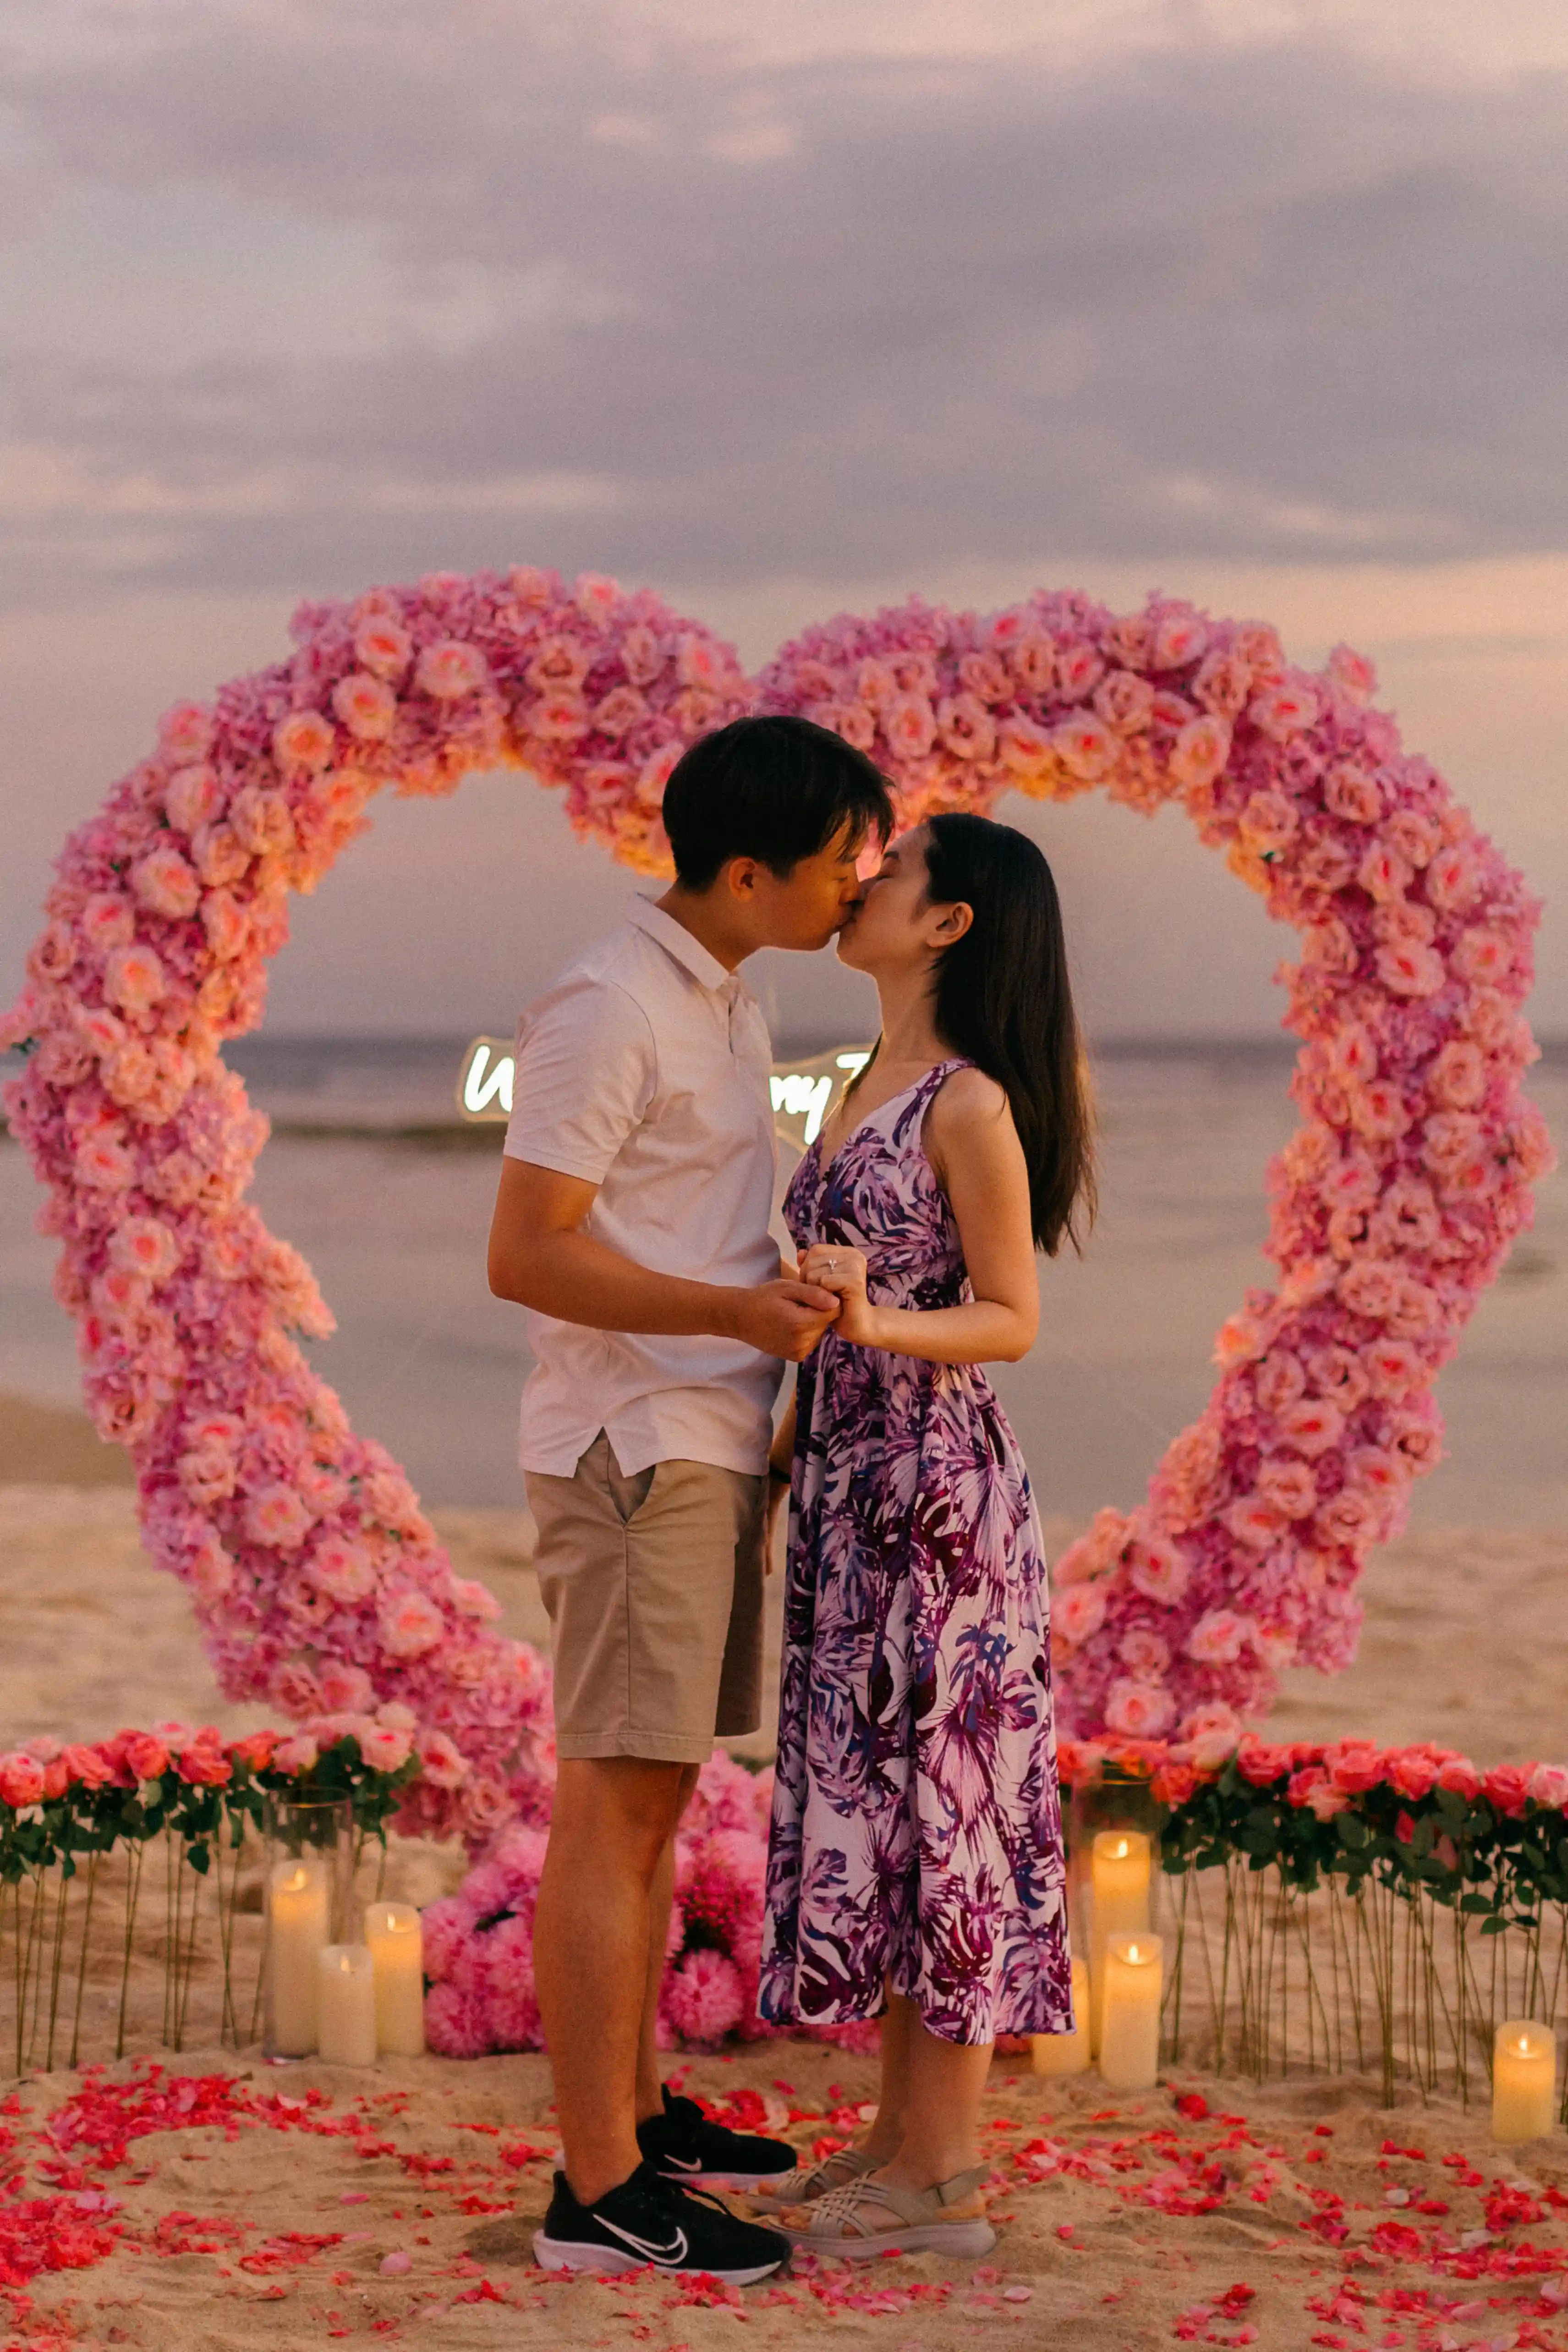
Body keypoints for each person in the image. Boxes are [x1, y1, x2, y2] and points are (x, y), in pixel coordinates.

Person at [487, 714, 893, 2282]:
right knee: (617, 1799)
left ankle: (641, 2122)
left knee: (657, 1800)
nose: (858, 877)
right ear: (747, 870)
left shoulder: (726, 991)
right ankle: (597, 2193)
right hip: (633, 1444)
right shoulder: (606, 1003)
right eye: (842, 856)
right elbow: (527, 1250)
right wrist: (733, 1318)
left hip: (706, 1437)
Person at [751, 811, 1096, 2259]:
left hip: (938, 1497)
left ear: (949, 921)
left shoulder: (965, 1101)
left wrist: (873, 1320)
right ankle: (897, 2139)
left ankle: (946, 2176)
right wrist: (777, 1466)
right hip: (848, 1491)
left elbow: (1011, 1314)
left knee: (946, 1814)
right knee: (887, 1817)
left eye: (890, 870)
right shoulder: (854, 1086)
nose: (861, 882)